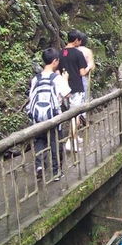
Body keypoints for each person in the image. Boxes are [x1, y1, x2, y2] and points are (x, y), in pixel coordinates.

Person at [27, 48, 71, 181]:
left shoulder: (36, 78)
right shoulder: (57, 78)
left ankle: (39, 166)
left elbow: (31, 97)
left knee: (40, 140)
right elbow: (67, 94)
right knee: (55, 143)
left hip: (38, 118)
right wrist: (66, 79)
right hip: (53, 117)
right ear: (55, 61)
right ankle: (56, 172)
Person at [58, 30, 88, 152]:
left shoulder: (61, 53)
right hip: (76, 87)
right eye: (79, 40)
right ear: (76, 40)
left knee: (71, 114)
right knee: (74, 115)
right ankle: (70, 141)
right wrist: (89, 67)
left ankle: (75, 137)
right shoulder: (78, 53)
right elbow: (82, 72)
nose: (80, 42)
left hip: (64, 88)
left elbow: (59, 71)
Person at [77, 32, 95, 101]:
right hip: (83, 77)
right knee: (84, 99)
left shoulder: (69, 50)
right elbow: (91, 65)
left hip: (70, 77)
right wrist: (87, 68)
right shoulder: (87, 51)